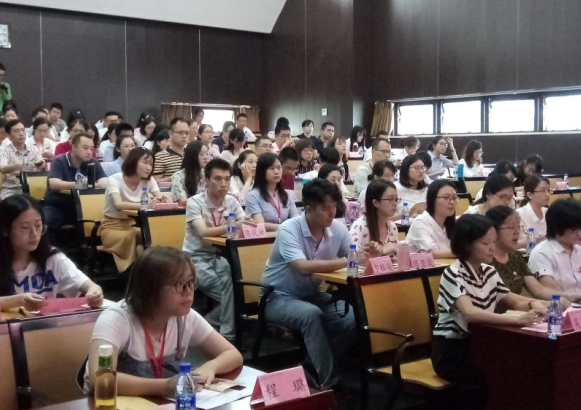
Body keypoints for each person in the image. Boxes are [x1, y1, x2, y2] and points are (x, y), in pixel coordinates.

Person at [84, 246, 243, 395]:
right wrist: (164, 386)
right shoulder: (116, 319)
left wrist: (210, 367)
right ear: (150, 288)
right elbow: (99, 379)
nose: (188, 292)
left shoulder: (185, 317)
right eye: (180, 285)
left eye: (191, 283)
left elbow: (233, 354)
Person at [432, 214, 545, 410]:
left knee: (515, 370)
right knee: (479, 381)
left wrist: (537, 304)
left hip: (483, 343)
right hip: (453, 349)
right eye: (485, 243)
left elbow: (513, 300)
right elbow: (470, 313)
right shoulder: (452, 273)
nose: (492, 247)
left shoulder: (489, 271)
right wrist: (518, 320)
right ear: (467, 245)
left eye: (493, 241)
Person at [262, 178, 357, 390]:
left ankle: (309, 367)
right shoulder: (289, 229)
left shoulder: (338, 229)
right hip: (278, 297)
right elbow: (303, 267)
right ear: (309, 208)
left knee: (353, 318)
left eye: (334, 207)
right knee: (312, 315)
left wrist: (369, 253)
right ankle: (330, 383)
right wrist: (349, 260)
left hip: (313, 295)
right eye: (325, 208)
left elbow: (355, 256)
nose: (332, 213)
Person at [182, 159, 256, 341]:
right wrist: (234, 225)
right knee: (233, 296)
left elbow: (245, 222)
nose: (223, 184)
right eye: (217, 179)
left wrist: (248, 224)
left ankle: (207, 326)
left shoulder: (231, 201)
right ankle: (225, 333)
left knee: (235, 290)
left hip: (222, 256)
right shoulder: (194, 202)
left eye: (227, 179)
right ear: (206, 180)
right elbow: (203, 232)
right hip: (195, 257)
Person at [0, 195, 103, 311]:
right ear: (5, 230)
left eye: (38, 225)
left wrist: (95, 293)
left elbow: (90, 286)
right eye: (25, 227)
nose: (34, 233)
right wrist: (18, 300)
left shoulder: (53, 258)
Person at [487, 205, 577, 304]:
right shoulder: (485, 260)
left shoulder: (515, 256)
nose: (517, 232)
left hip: (519, 310)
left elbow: (539, 290)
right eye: (511, 227)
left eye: (518, 226)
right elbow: (511, 299)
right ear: (494, 231)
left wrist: (572, 297)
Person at [100, 148, 165, 273]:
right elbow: (118, 204)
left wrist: (162, 200)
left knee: (150, 235)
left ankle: (145, 272)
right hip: (112, 228)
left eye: (151, 164)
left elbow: (159, 197)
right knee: (141, 236)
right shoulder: (114, 179)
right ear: (133, 162)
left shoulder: (149, 180)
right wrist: (146, 205)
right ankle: (141, 274)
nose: (149, 168)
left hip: (135, 225)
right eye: (145, 163)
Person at [43, 133, 108, 237]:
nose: (89, 152)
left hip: (83, 207)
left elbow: (105, 181)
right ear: (73, 147)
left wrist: (99, 183)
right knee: (47, 221)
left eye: (92, 149)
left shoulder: (92, 162)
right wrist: (81, 185)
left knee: (103, 220)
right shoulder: (59, 161)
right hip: (59, 205)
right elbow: (54, 184)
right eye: (85, 148)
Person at [529, 198, 581, 298]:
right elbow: (550, 290)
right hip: (563, 305)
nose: (579, 234)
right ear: (557, 227)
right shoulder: (541, 253)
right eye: (574, 229)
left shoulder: (578, 249)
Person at [245, 152, 298, 231]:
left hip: (286, 235)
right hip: (266, 237)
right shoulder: (253, 195)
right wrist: (286, 227)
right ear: (262, 171)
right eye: (272, 168)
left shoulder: (286, 195)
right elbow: (259, 224)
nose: (276, 172)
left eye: (279, 168)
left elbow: (296, 219)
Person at [350, 180, 398, 265]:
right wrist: (382, 251)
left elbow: (395, 259)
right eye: (390, 199)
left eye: (396, 199)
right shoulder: (359, 226)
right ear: (375, 202)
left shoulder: (392, 226)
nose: (395, 203)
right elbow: (353, 259)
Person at [406, 180, 456, 258]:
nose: (452, 202)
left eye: (454, 198)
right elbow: (433, 253)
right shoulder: (420, 222)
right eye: (446, 197)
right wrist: (464, 252)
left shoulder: (452, 223)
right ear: (432, 200)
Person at [0, 120, 45, 200]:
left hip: (32, 187)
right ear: (9, 135)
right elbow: (3, 168)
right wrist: (16, 166)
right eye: (16, 131)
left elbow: (41, 164)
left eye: (23, 130)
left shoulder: (33, 148)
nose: (21, 134)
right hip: (11, 189)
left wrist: (41, 164)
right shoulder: (4, 151)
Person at [516, 175, 549, 245]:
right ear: (530, 195)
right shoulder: (519, 215)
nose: (547, 194)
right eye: (543, 190)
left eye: (548, 190)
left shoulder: (548, 212)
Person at [153, 118, 188, 182]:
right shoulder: (160, 157)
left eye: (187, 133)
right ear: (170, 133)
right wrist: (175, 178)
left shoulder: (192, 154)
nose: (184, 136)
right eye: (180, 132)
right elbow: (155, 183)